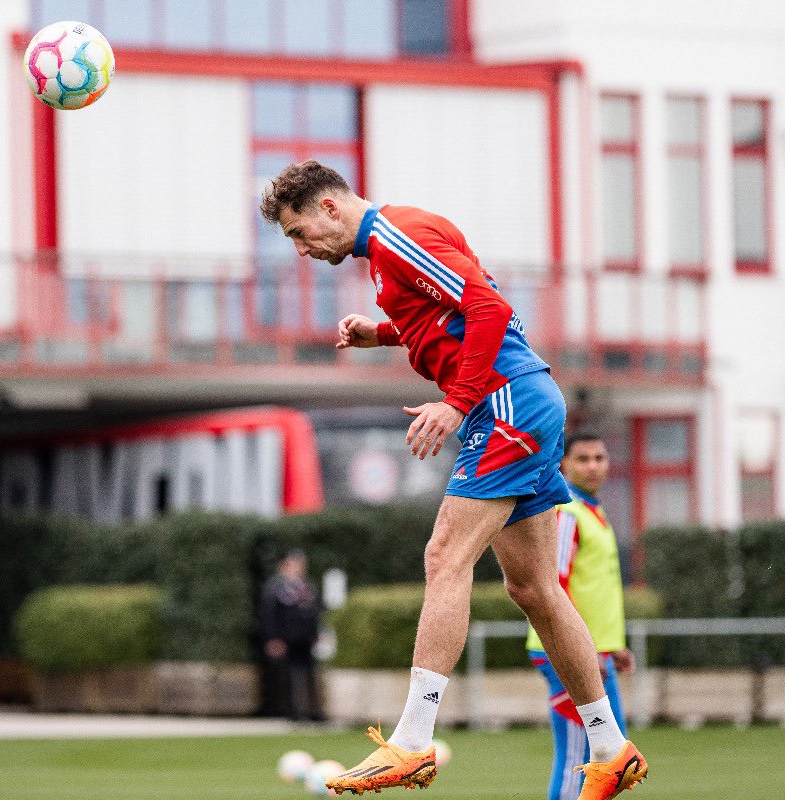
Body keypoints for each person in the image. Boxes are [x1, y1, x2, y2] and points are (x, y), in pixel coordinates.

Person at [259, 160, 647, 799]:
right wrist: (382, 334)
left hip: (504, 402)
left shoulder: (395, 237)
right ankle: (610, 747)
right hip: (524, 399)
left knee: (445, 557)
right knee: (534, 588)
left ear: (329, 207)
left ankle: (413, 741)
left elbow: (488, 306)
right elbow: (451, 310)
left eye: (299, 233)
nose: (301, 250)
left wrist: (458, 402)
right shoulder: (391, 247)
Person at [526, 430, 636, 800]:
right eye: (583, 458)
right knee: (581, 754)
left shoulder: (592, 509)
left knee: (613, 759)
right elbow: (554, 586)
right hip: (568, 651)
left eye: (599, 458)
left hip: (594, 651)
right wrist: (583, 651)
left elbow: (595, 588)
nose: (593, 466)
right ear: (564, 464)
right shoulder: (568, 511)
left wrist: (612, 646)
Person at [260, 549, 324, 722]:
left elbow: (314, 613)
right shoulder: (275, 588)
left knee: (310, 675)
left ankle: (312, 711)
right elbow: (269, 615)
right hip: (286, 639)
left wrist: (316, 633)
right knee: (288, 676)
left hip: (305, 639)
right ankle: (292, 712)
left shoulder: (308, 587)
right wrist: (273, 638)